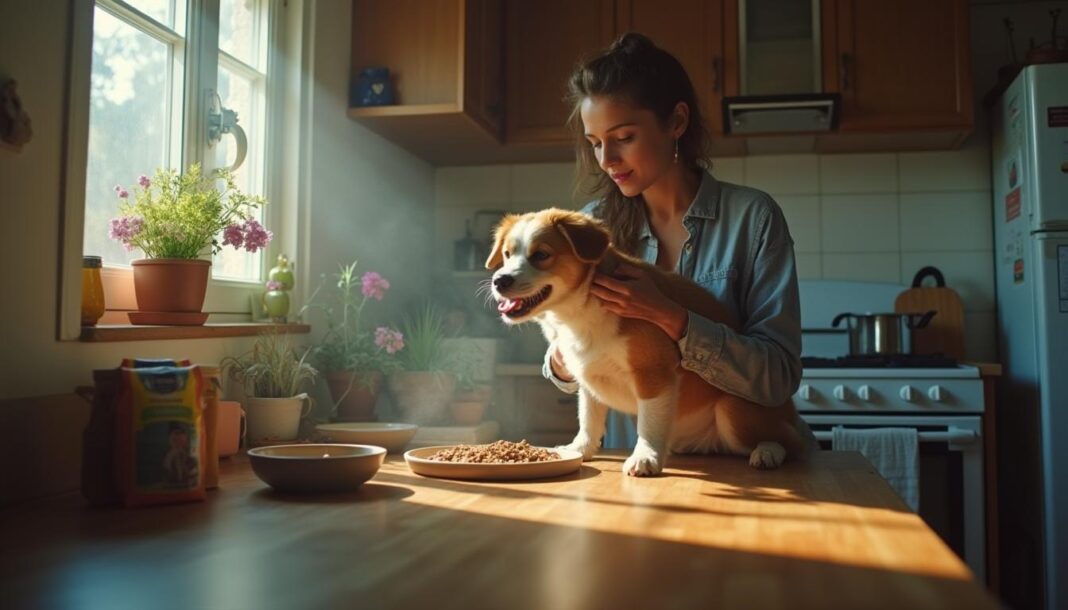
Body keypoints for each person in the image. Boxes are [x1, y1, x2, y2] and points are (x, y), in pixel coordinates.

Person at [542, 32, 803, 449]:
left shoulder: (752, 219)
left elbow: (777, 378)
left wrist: (672, 318)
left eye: (624, 137)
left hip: (746, 458)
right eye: (595, 143)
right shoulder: (594, 227)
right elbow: (569, 370)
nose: (607, 160)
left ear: (676, 122)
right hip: (641, 469)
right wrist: (563, 355)